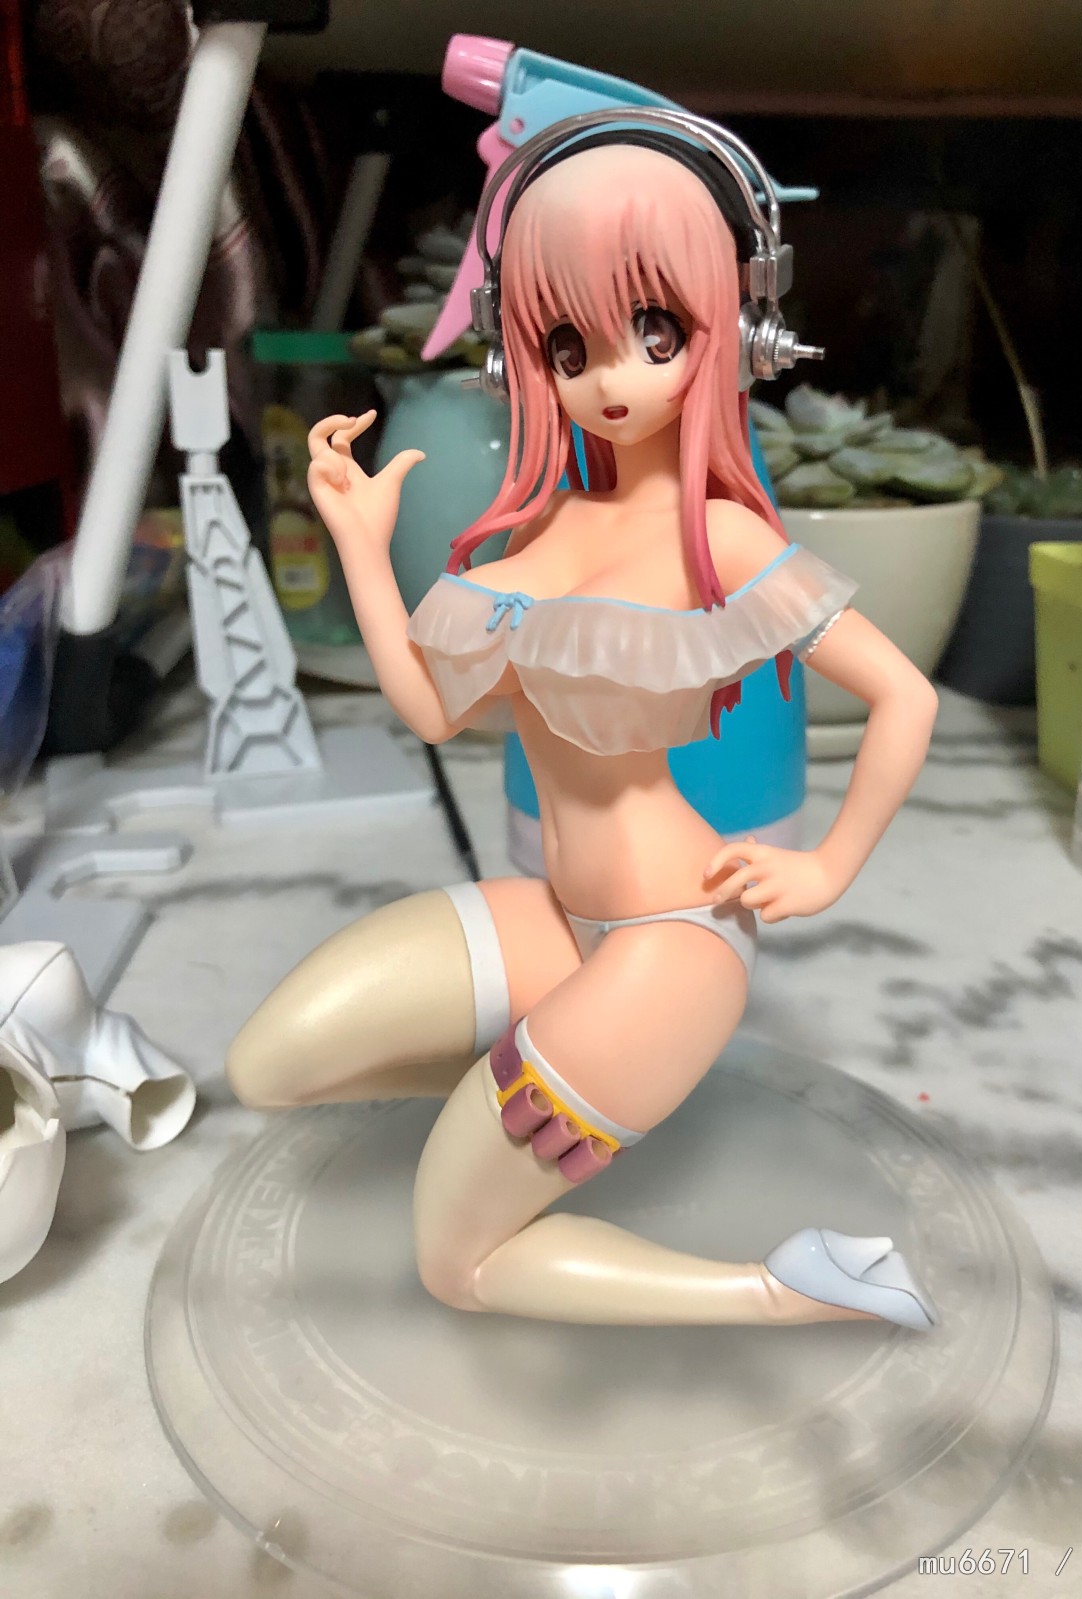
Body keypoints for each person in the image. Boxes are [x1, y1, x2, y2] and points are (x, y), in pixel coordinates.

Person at [227, 134, 940, 1331]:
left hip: (671, 940)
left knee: (456, 1265)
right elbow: (430, 709)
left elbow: (904, 696)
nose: (610, 377)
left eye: (653, 333)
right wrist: (360, 548)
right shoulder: (538, 535)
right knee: (272, 1067)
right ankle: (522, 1107)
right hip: (558, 917)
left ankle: (800, 1290)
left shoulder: (722, 542)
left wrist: (825, 865)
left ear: (730, 329)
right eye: (569, 346)